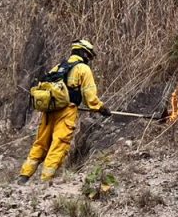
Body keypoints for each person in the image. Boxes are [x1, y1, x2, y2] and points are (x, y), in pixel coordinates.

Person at [18, 39, 111, 183]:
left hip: (49, 111)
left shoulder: (59, 67)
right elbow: (90, 95)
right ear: (83, 53)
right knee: (59, 143)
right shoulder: (83, 69)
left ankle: (24, 176)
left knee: (41, 143)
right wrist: (100, 108)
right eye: (88, 55)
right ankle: (45, 180)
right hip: (67, 111)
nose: (89, 58)